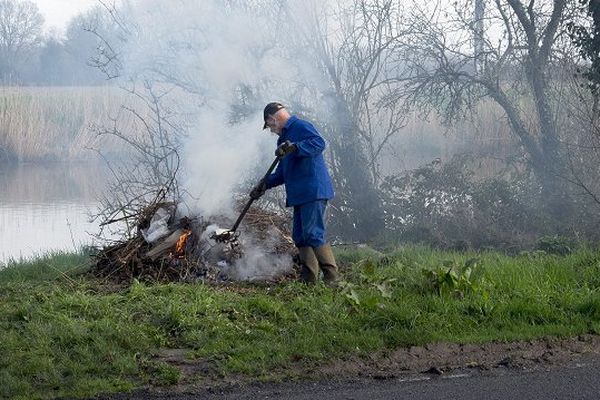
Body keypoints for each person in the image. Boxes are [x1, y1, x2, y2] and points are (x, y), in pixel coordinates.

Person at [250, 102, 339, 284]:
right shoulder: (283, 139)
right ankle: (309, 280)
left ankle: (333, 280)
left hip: (313, 190)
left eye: (269, 125)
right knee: (300, 236)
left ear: (272, 118)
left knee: (313, 234)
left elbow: (319, 143)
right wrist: (264, 184)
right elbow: (283, 172)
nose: (271, 130)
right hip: (300, 194)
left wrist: (296, 148)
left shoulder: (300, 126)